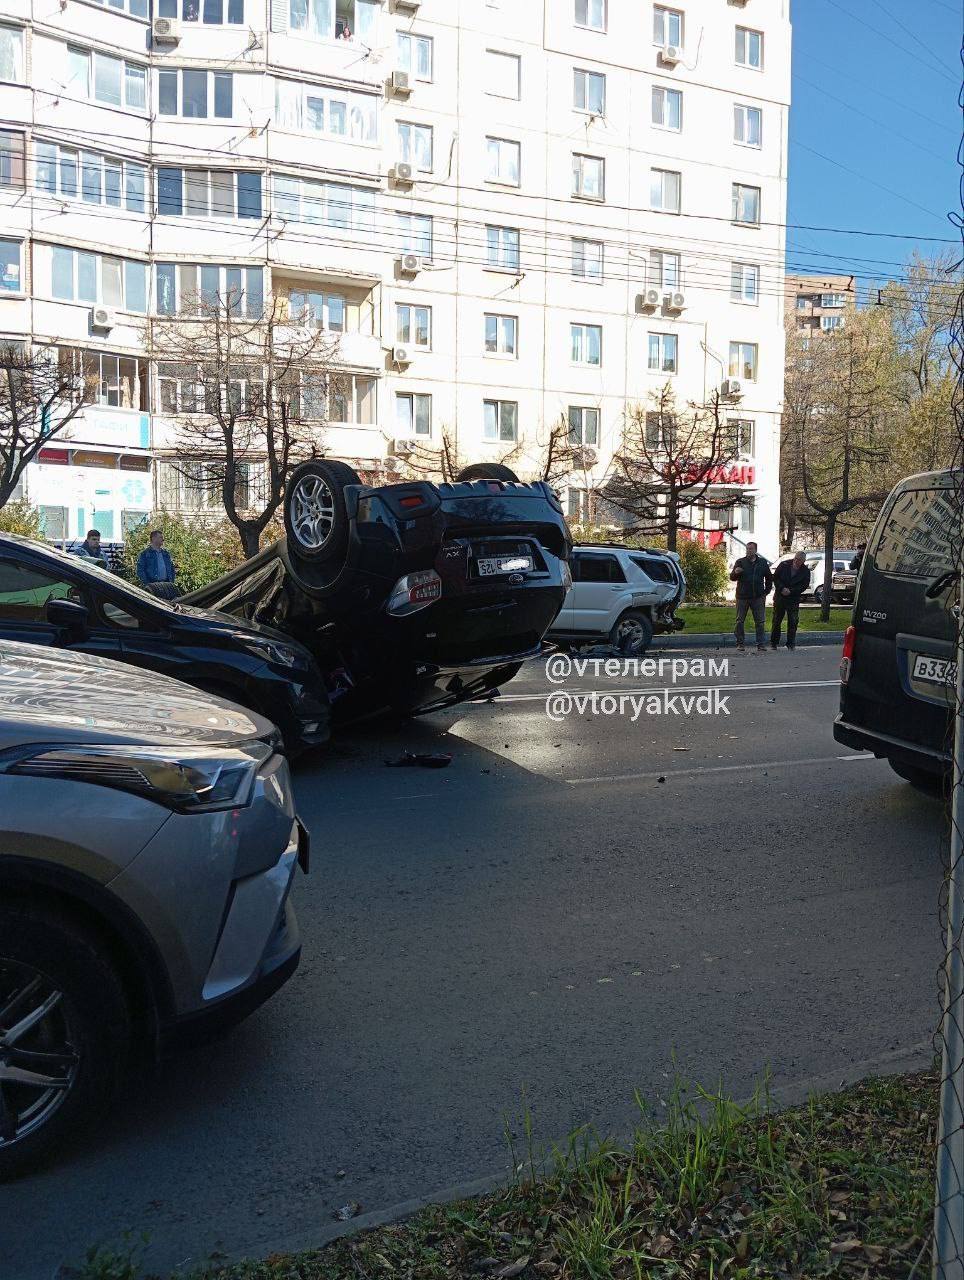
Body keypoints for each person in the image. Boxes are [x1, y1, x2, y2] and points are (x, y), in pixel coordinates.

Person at [730, 541, 773, 652]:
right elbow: (732, 577)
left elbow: (769, 578)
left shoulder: (762, 563)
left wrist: (766, 592)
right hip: (742, 596)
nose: (749, 551)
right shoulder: (740, 562)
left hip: (758, 597)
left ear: (755, 550)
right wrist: (736, 572)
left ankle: (761, 644)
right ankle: (740, 643)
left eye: (751, 549)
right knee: (739, 621)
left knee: (760, 622)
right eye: (747, 549)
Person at [770, 551, 811, 651]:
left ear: (803, 561)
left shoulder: (805, 571)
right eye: (796, 559)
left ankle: (791, 643)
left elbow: (804, 585)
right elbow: (775, 578)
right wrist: (782, 588)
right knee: (776, 620)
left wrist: (791, 591)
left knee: (793, 621)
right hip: (780, 597)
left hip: (793, 598)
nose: (796, 561)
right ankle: (774, 643)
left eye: (799, 560)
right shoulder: (784, 565)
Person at [136, 530, 177, 598]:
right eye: (160, 537)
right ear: (154, 538)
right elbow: (140, 571)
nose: (163, 539)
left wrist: (171, 582)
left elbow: (172, 569)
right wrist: (148, 584)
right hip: (153, 587)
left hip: (166, 585)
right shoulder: (145, 554)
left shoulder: (166, 554)